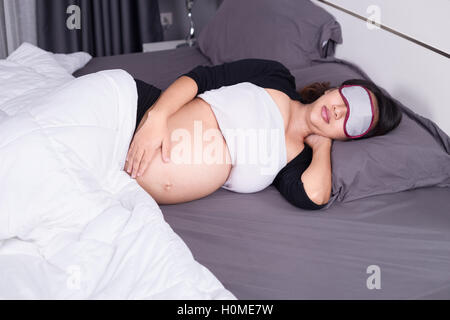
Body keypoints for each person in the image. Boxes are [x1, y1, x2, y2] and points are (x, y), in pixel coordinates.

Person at [124, 58, 402, 210]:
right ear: (334, 90)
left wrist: (322, 147)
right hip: (131, 114)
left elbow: (315, 196)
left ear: (347, 139)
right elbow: (201, 78)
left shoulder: (298, 161)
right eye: (347, 98)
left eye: (353, 123)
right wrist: (156, 118)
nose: (341, 111)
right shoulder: (275, 76)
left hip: (121, 181)